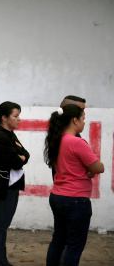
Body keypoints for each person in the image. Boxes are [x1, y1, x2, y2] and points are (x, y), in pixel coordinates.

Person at [44, 104, 104, 265]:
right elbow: (99, 167)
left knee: (58, 240)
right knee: (74, 245)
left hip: (58, 196)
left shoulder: (58, 139)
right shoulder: (77, 142)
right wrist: (91, 166)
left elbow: (73, 166)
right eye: (83, 119)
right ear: (75, 121)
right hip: (76, 199)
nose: (84, 123)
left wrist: (88, 169)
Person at [0, 102, 30, 266]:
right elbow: (16, 161)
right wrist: (20, 158)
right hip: (1, 187)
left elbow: (25, 153)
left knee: (3, 225)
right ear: (4, 118)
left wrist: (21, 157)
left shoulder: (9, 134)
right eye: (15, 116)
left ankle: (1, 260)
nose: (19, 119)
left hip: (10, 185)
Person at [51, 95, 86, 180]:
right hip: (71, 188)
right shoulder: (69, 135)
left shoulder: (57, 131)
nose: (84, 113)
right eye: (81, 109)